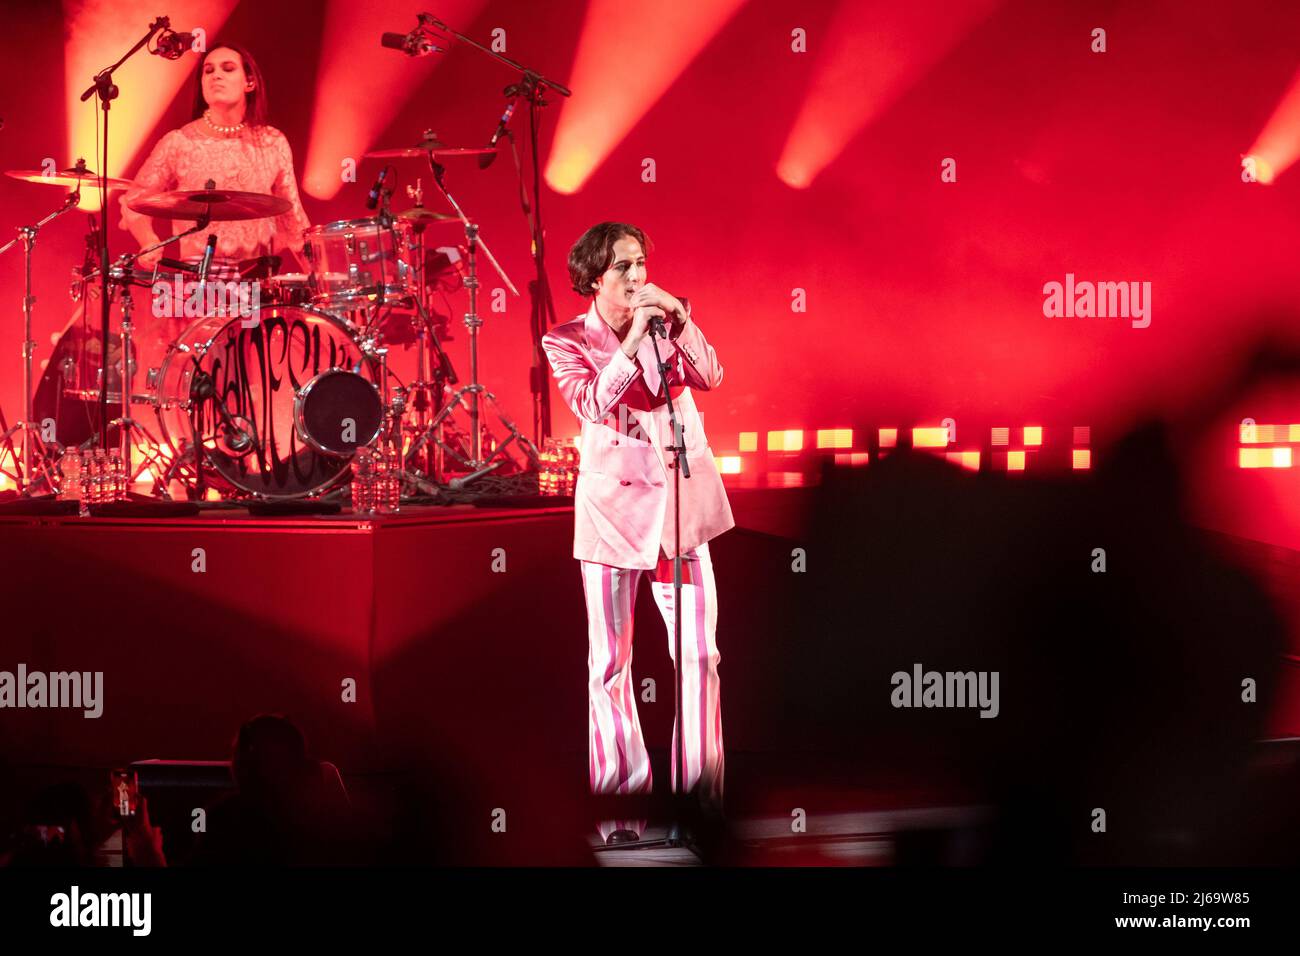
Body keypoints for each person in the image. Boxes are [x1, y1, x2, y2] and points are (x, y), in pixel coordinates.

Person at [541, 222, 735, 845]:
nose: (637, 277)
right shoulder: (567, 340)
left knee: (700, 656)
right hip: (613, 515)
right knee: (612, 664)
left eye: (642, 264)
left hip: (681, 507)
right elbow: (593, 403)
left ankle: (700, 802)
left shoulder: (666, 325)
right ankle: (621, 809)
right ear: (595, 276)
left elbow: (712, 376)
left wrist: (679, 320)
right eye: (623, 267)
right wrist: (629, 344)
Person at [118, 42, 312, 274]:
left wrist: (319, 279)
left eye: (227, 69)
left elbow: (294, 221)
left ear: (249, 82)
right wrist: (148, 241)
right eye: (208, 70)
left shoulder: (273, 142)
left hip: (257, 279)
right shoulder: (179, 142)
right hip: (197, 282)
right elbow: (136, 201)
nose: (216, 75)